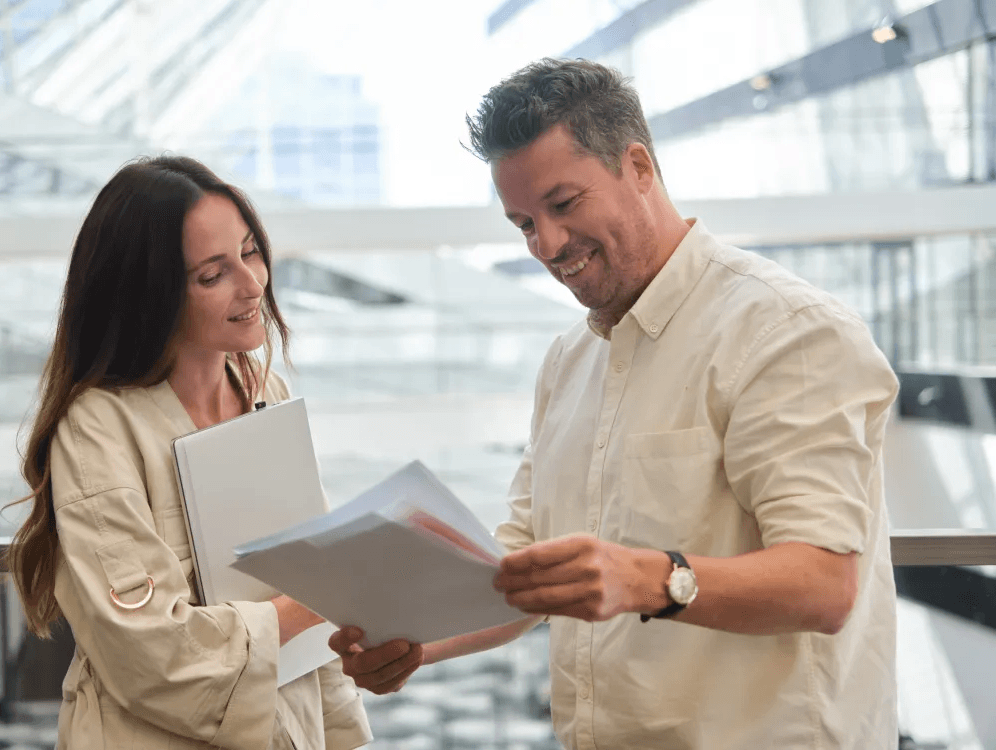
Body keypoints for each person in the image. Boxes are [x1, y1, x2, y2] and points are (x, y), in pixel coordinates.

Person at [330, 58, 899, 749]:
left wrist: (646, 578)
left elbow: (822, 583)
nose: (546, 244)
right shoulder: (569, 361)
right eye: (522, 223)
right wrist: (414, 640)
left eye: (563, 204)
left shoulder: (785, 331)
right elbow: (520, 567)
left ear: (637, 167)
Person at [7, 156, 372, 750]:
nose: (252, 284)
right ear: (150, 295)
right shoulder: (99, 425)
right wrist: (311, 602)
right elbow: (147, 646)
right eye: (212, 274)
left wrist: (339, 732)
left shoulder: (263, 390)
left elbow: (312, 579)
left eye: (251, 252)